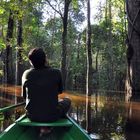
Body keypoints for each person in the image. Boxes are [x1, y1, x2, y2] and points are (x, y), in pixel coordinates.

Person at [22, 48, 71, 123]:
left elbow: (24, 96)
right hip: (52, 116)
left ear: (31, 61)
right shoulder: (57, 72)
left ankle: (44, 128)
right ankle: (49, 126)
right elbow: (59, 92)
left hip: (32, 116)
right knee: (67, 100)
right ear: (45, 59)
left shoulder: (26, 74)